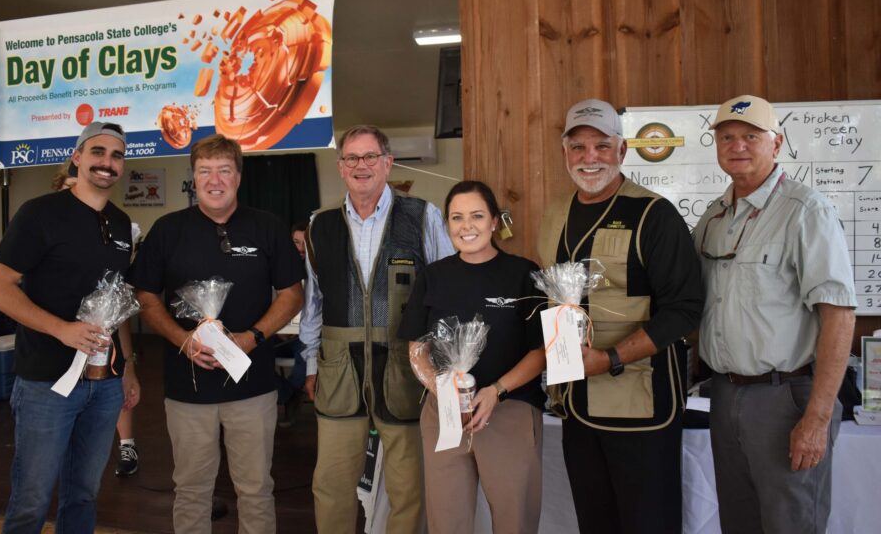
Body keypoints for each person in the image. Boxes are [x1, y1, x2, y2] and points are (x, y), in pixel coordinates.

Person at [536, 99, 703, 534]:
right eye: (578, 147)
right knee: (596, 523)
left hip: (641, 406)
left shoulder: (654, 214)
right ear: (564, 152)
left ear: (622, 151)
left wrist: (610, 358)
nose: (589, 158)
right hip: (575, 403)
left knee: (648, 523)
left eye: (601, 146)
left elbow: (684, 310)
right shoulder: (555, 212)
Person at [692, 95, 856, 534]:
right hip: (724, 396)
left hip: (787, 398)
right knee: (739, 523)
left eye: (751, 136)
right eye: (727, 136)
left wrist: (817, 419)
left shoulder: (805, 211)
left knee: (791, 525)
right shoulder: (713, 217)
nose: (737, 145)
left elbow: (839, 316)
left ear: (777, 143)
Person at [128, 134, 304, 534]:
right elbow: (145, 296)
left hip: (253, 386)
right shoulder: (167, 230)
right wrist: (183, 340)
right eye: (204, 171)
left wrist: (252, 337)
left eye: (224, 170)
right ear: (193, 178)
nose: (214, 179)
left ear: (238, 177)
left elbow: (293, 295)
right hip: (187, 391)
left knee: (257, 489)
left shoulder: (266, 226)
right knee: (191, 490)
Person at [0, 121, 140, 533]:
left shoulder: (122, 225)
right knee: (32, 497)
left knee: (85, 492)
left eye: (117, 155)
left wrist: (128, 368)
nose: (107, 163)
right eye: (98, 153)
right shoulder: (40, 213)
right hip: (45, 383)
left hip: (105, 384)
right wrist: (61, 329)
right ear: (77, 157)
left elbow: (117, 303)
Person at [300, 124, 455, 533]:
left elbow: (446, 295)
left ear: (388, 163)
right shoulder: (320, 225)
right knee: (330, 482)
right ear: (340, 167)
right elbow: (313, 304)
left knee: (408, 487)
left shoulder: (423, 216)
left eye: (370, 157)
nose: (361, 166)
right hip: (338, 371)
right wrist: (310, 365)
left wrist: (444, 370)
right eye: (352, 158)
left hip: (407, 371)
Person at [399, 180, 547, 533]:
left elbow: (541, 352)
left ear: (494, 222)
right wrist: (440, 389)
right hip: (444, 412)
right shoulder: (433, 276)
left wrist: (496, 390)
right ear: (447, 224)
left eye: (477, 216)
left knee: (515, 520)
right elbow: (416, 346)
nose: (467, 226)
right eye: (457, 217)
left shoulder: (524, 274)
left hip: (509, 410)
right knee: (447, 521)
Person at [53, 158, 142, 477]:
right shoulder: (42, 226)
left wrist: (129, 365)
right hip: (51, 364)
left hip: (106, 351)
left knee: (85, 483)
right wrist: (61, 329)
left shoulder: (116, 230)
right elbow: (2, 288)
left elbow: (121, 313)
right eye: (69, 188)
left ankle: (126, 444)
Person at [272, 220, 311, 428]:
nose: (300, 249)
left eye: (305, 244)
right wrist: (276, 329)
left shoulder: (321, 271)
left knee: (306, 355)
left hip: (309, 335)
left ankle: (288, 394)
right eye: (296, 243)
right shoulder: (277, 268)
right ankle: (289, 394)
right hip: (279, 333)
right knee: (249, 354)